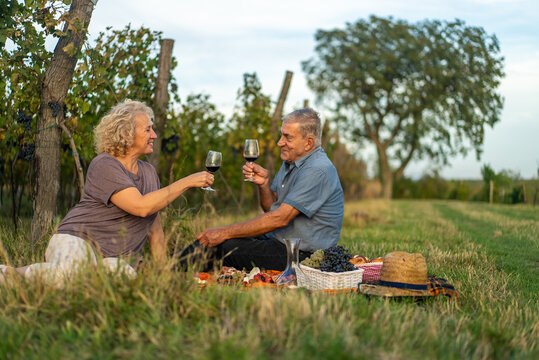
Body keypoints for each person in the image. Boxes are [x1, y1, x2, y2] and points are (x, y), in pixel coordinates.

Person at [0, 99, 214, 285]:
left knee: (124, 282)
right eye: (148, 129)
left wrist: (164, 277)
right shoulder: (104, 164)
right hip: (76, 240)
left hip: (114, 258)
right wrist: (187, 181)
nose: (155, 135)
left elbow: (155, 232)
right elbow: (141, 207)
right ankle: (10, 275)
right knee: (71, 277)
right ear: (126, 133)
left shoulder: (149, 173)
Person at [178, 108, 344, 271]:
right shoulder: (293, 162)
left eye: (287, 137)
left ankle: (170, 269)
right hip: (277, 239)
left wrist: (224, 232)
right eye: (281, 135)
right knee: (218, 241)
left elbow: (280, 218)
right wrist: (264, 184)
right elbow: (271, 209)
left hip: (302, 255)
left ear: (308, 142)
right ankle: (170, 264)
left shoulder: (318, 169)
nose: (280, 142)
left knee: (224, 246)